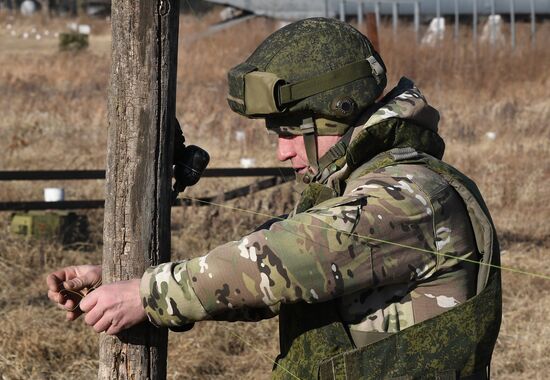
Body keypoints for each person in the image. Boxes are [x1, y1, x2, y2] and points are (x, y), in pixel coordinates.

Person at [47, 18, 501, 379]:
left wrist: (147, 293)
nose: (283, 151)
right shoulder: (363, 188)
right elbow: (261, 284)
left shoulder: (410, 195)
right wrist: (130, 280)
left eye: (290, 134)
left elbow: (276, 264)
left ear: (335, 118)